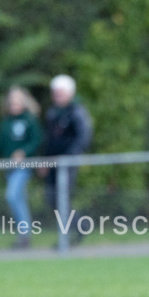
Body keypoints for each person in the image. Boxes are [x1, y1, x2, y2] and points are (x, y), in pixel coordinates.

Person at [0, 86, 42, 248]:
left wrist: (23, 152)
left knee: (12, 195)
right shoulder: (6, 123)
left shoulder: (30, 120)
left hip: (24, 167)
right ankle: (24, 236)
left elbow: (37, 141)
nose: (14, 103)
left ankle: (25, 235)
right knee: (18, 199)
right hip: (9, 168)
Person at [41, 74, 93, 237]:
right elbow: (49, 140)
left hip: (67, 164)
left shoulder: (76, 111)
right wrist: (44, 161)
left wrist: (68, 157)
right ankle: (79, 227)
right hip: (52, 164)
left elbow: (83, 138)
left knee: (61, 198)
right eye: (55, 93)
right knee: (52, 198)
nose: (57, 96)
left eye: (60, 93)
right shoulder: (53, 113)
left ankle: (71, 233)